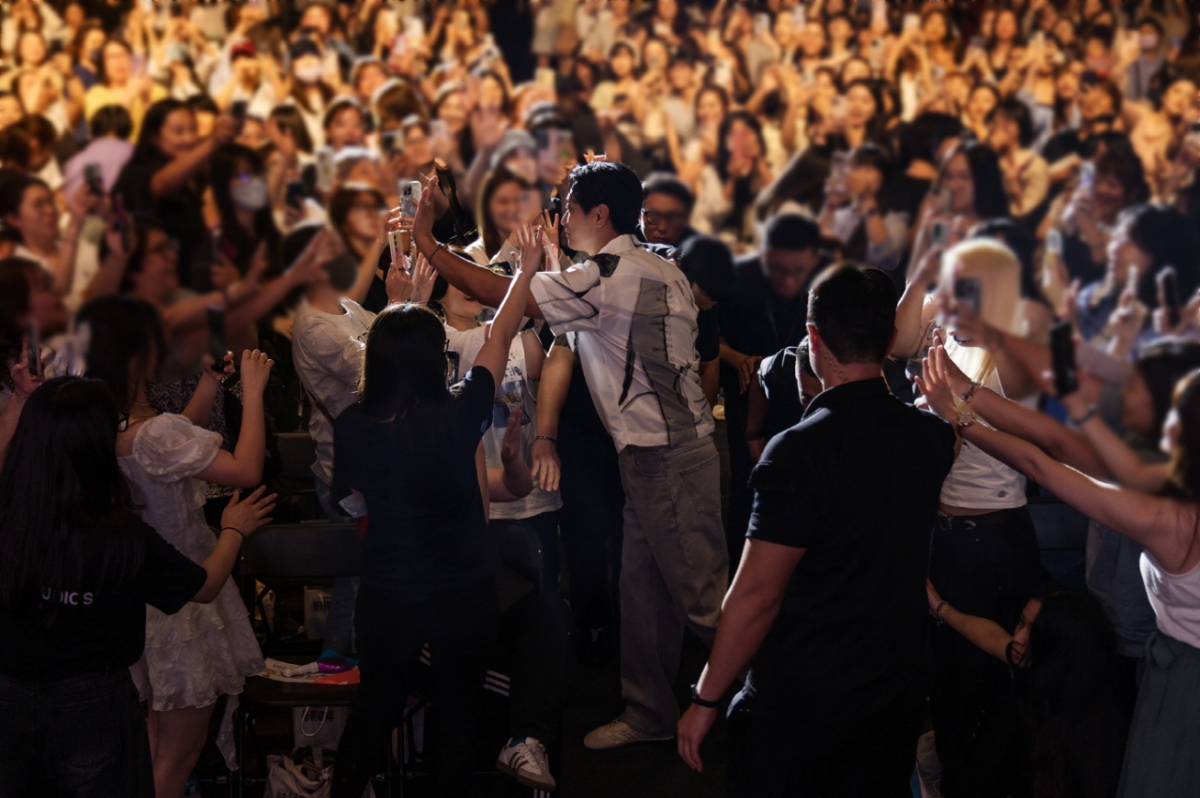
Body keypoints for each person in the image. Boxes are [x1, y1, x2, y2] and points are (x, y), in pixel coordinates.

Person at [411, 160, 727, 750]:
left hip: (669, 458)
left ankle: (779, 710)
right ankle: (650, 713)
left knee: (702, 601)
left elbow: (496, 293)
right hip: (655, 457)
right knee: (643, 594)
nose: (559, 217)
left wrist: (426, 242)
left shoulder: (611, 276)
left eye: (568, 208)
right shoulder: (649, 265)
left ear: (599, 215)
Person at [677, 263, 957, 797]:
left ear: (814, 338)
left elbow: (757, 595)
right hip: (892, 694)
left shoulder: (798, 451)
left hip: (804, 696)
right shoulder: (932, 437)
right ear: (890, 340)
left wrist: (706, 697)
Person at [917, 342, 1200, 798]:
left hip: (1187, 685)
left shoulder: (1172, 515)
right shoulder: (1167, 481)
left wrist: (958, 418)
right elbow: (1057, 443)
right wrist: (965, 390)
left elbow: (1044, 466)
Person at [329, 225, 541, 798]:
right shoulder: (456, 413)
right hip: (463, 592)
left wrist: (403, 305)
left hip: (387, 593)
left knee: (375, 710)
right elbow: (500, 334)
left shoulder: (352, 426)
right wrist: (526, 271)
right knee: (456, 715)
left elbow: (349, 502)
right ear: (433, 361)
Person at [0, 376, 275, 798]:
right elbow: (202, 586)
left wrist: (20, 400)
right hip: (92, 696)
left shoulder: (13, 517)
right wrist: (233, 530)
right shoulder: (117, 533)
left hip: (11, 688)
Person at [77, 296, 275, 798]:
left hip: (139, 596)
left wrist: (209, 383)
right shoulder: (154, 432)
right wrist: (253, 392)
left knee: (150, 747)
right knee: (178, 754)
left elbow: (171, 443)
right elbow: (246, 470)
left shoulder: (110, 421)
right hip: (185, 596)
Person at [719, 214, 826, 567]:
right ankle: (743, 570)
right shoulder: (736, 277)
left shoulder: (818, 282)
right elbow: (707, 335)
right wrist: (738, 359)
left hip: (800, 398)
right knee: (747, 487)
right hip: (745, 391)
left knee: (802, 486)